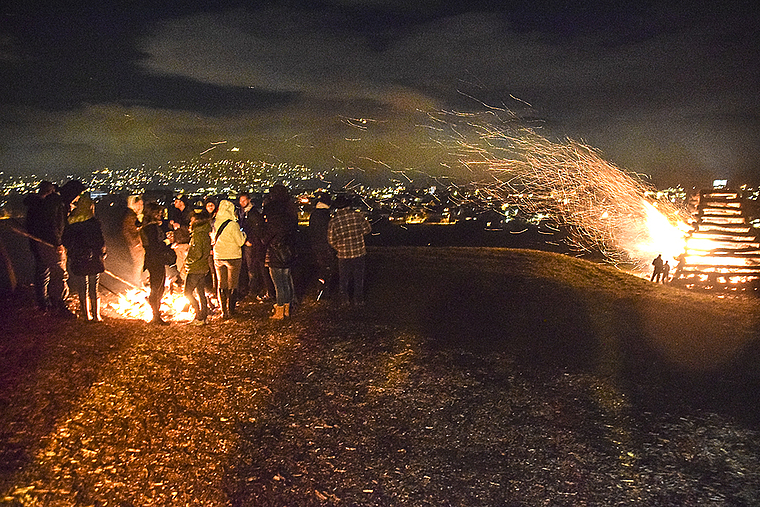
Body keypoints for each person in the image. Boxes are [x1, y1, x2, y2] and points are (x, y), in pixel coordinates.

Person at [24, 181, 75, 317]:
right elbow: (54, 225)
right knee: (59, 273)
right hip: (49, 245)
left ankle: (44, 303)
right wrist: (58, 243)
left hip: (38, 244)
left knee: (42, 272)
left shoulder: (35, 205)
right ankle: (59, 305)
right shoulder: (51, 204)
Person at [62, 193, 106, 321]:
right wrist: (101, 252)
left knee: (83, 285)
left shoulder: (71, 222)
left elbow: (66, 240)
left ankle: (87, 315)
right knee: (94, 286)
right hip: (93, 257)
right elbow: (99, 240)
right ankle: (96, 316)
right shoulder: (93, 223)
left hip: (79, 258)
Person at [262, 184, 299, 319]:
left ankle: (280, 311)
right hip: (287, 252)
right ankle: (287, 309)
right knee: (286, 281)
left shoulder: (273, 222)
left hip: (275, 254)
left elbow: (265, 238)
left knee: (279, 284)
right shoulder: (289, 214)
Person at [328, 194, 371, 307]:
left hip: (343, 255)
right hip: (359, 252)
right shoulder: (358, 216)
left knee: (344, 279)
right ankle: (359, 300)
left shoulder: (333, 221)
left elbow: (331, 240)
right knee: (359, 278)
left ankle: (344, 300)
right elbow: (367, 230)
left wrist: (339, 248)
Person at [212, 199, 246, 319]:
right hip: (233, 256)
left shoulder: (215, 223)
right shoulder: (233, 224)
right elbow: (240, 241)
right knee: (233, 283)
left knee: (221, 283)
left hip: (218, 256)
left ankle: (223, 311)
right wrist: (244, 234)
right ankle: (231, 310)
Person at [140, 201, 172, 325]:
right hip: (156, 259)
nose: (161, 215)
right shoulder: (151, 228)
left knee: (158, 286)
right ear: (152, 213)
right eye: (158, 213)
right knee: (157, 287)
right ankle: (156, 315)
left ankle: (156, 313)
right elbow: (154, 246)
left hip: (153, 259)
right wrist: (167, 242)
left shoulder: (148, 227)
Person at [182, 209, 212, 325]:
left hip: (195, 268)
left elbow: (197, 253)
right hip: (203, 267)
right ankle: (203, 317)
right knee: (201, 293)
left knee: (187, 293)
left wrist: (188, 259)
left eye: (192, 219)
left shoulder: (198, 235)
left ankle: (198, 316)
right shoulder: (205, 233)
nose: (190, 222)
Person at [237, 192, 268, 301]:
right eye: (240, 201)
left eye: (244, 200)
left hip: (251, 244)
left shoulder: (252, 213)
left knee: (252, 268)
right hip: (247, 243)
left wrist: (249, 240)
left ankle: (254, 290)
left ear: (249, 200)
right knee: (249, 267)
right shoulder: (243, 212)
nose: (242, 203)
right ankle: (252, 288)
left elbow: (256, 230)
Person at [308, 193, 337, 301]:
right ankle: (323, 289)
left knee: (322, 266)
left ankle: (320, 288)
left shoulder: (314, 214)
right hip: (326, 244)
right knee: (327, 267)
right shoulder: (326, 215)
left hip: (315, 244)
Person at [122, 195, 144, 287]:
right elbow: (126, 231)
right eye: (138, 204)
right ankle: (136, 282)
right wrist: (135, 242)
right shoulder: (131, 216)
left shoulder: (133, 215)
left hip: (137, 243)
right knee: (139, 263)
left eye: (141, 204)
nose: (141, 206)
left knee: (140, 263)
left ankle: (138, 281)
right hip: (136, 244)